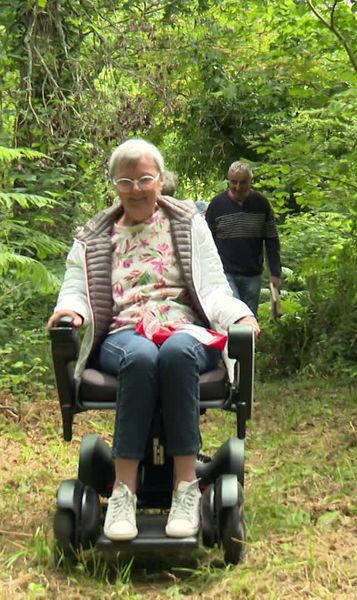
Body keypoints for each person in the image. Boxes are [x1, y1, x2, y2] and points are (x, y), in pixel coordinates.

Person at [47, 139, 259, 542]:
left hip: (183, 329)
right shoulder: (95, 235)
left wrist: (238, 314)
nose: (137, 188)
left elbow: (213, 287)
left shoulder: (188, 224)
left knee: (178, 352)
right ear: (114, 184)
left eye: (145, 178)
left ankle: (185, 487)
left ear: (161, 181)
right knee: (140, 357)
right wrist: (71, 310)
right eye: (125, 180)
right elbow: (76, 287)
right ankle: (124, 490)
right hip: (124, 333)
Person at [206, 161, 282, 316]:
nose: (238, 187)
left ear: (251, 182)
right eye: (234, 182)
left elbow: (271, 239)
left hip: (252, 274)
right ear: (228, 180)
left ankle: (250, 340)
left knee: (249, 318)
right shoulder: (217, 205)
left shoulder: (261, 204)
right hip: (225, 273)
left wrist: (275, 272)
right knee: (234, 317)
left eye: (243, 182)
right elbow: (206, 241)